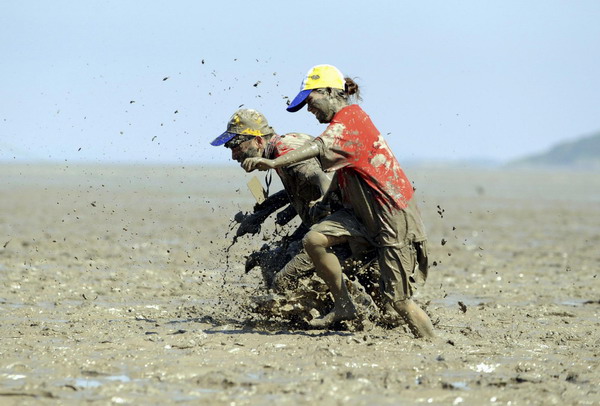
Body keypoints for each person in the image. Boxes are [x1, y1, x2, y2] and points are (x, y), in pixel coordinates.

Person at [242, 65, 435, 338]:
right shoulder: (343, 126)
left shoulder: (351, 119)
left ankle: (432, 346)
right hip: (360, 215)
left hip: (391, 216)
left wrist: (272, 162)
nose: (310, 110)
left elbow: (318, 148)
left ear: (329, 91)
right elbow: (340, 171)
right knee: (314, 239)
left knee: (399, 302)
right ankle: (344, 304)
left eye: (310, 102)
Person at [210, 108, 336, 289]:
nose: (233, 156)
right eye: (230, 148)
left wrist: (323, 209)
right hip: (319, 223)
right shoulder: (284, 148)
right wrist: (263, 212)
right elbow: (302, 186)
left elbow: (324, 181)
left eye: (236, 146)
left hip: (336, 228)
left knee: (281, 279)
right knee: (278, 256)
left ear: (258, 141)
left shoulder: (286, 150)